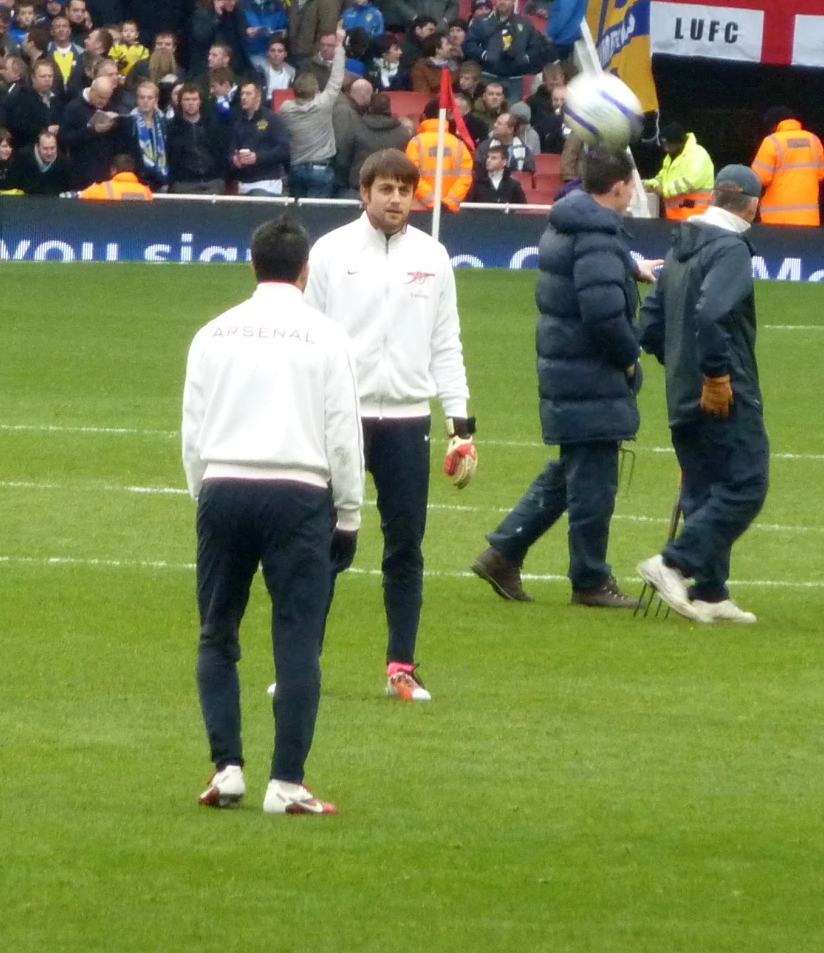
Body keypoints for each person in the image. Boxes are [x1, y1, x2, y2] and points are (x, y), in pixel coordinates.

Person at [184, 212, 364, 817]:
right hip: (299, 493)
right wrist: (350, 514)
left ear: (252, 264)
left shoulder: (212, 333)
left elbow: (192, 431)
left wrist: (202, 497)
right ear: (306, 272)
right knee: (296, 642)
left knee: (217, 631)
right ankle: (286, 782)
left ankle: (227, 767)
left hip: (225, 486)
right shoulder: (327, 337)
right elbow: (344, 434)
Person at [303, 148, 474, 702]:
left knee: (405, 547)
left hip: (406, 421)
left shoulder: (434, 256)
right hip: (341, 421)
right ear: (365, 193)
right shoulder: (329, 252)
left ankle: (401, 666)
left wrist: (461, 421)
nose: (397, 199)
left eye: (405, 189)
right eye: (386, 189)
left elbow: (446, 342)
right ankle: (302, 663)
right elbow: (308, 338)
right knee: (323, 544)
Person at [472, 144, 648, 607]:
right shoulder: (598, 233)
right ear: (620, 187)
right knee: (594, 481)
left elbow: (589, 274)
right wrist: (630, 359)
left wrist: (630, 268)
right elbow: (604, 313)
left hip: (565, 364)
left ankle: (503, 553)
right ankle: (590, 580)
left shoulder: (569, 219)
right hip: (588, 371)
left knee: (571, 470)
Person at [636, 163, 770, 625]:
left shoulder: (680, 248)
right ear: (752, 205)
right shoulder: (730, 249)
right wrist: (714, 373)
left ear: (715, 197)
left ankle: (710, 592)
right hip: (725, 393)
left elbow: (650, 324)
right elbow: (713, 311)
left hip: (680, 394)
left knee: (703, 488)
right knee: (747, 485)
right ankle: (674, 563)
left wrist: (681, 364)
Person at [750, 110, 824, 227]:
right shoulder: (814, 140)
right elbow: (821, 174)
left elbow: (759, 178)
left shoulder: (772, 141)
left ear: (774, 125)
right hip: (809, 219)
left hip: (776, 220)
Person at [653, 122, 715, 220]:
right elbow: (662, 177)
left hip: (696, 218)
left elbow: (690, 182)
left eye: (669, 145)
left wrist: (663, 190)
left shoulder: (698, 155)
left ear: (680, 143)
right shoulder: (671, 157)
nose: (666, 149)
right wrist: (649, 184)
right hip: (676, 218)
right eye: (664, 145)